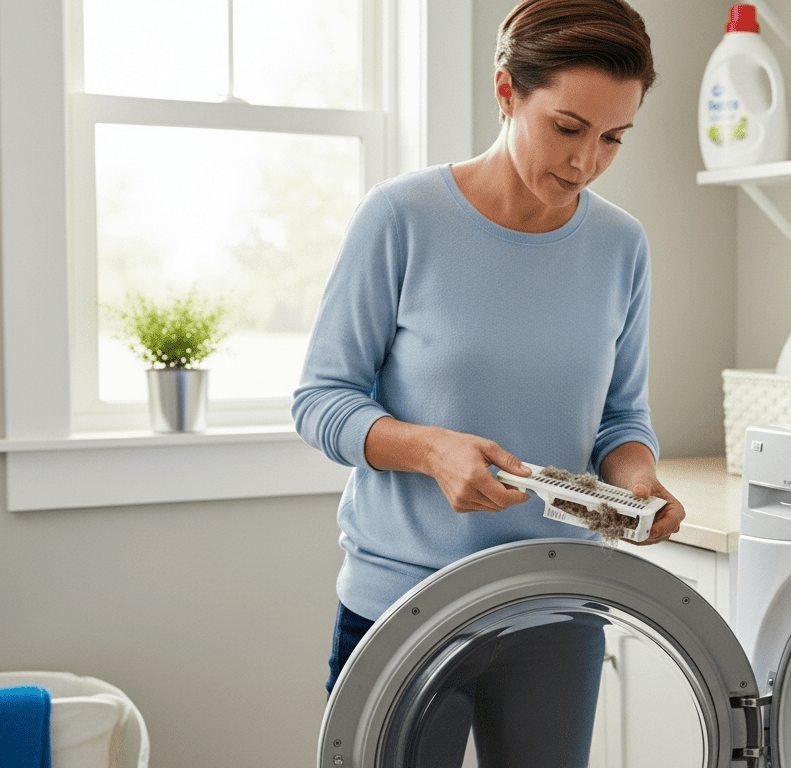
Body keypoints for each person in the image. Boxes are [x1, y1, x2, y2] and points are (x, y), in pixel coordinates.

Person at [292, 0, 683, 763]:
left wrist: (636, 480)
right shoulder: (400, 217)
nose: (586, 162)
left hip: (557, 603)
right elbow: (321, 400)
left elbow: (621, 416)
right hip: (403, 604)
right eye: (567, 128)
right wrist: (432, 450)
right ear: (506, 92)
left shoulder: (620, 245)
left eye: (613, 138)